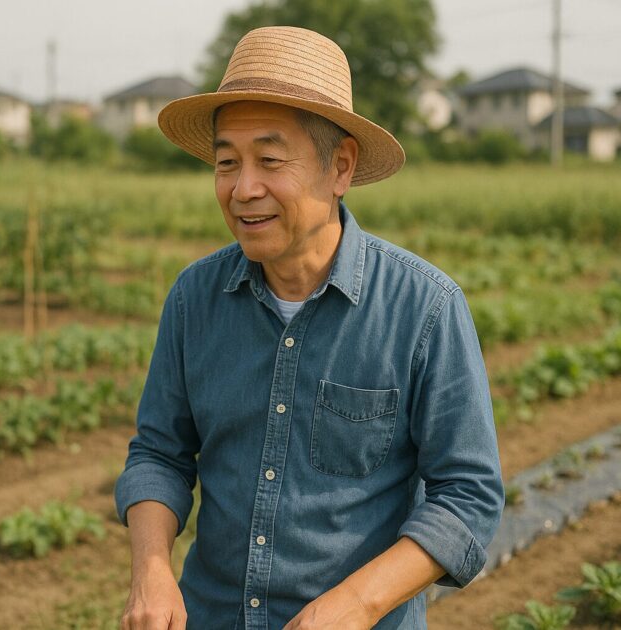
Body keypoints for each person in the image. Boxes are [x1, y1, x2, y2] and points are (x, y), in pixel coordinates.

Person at [114, 26, 504, 630]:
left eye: (270, 161)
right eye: (226, 162)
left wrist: (357, 604)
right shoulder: (195, 298)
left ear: (340, 166)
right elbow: (159, 454)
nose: (244, 189)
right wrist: (152, 570)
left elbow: (468, 494)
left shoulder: (424, 307)